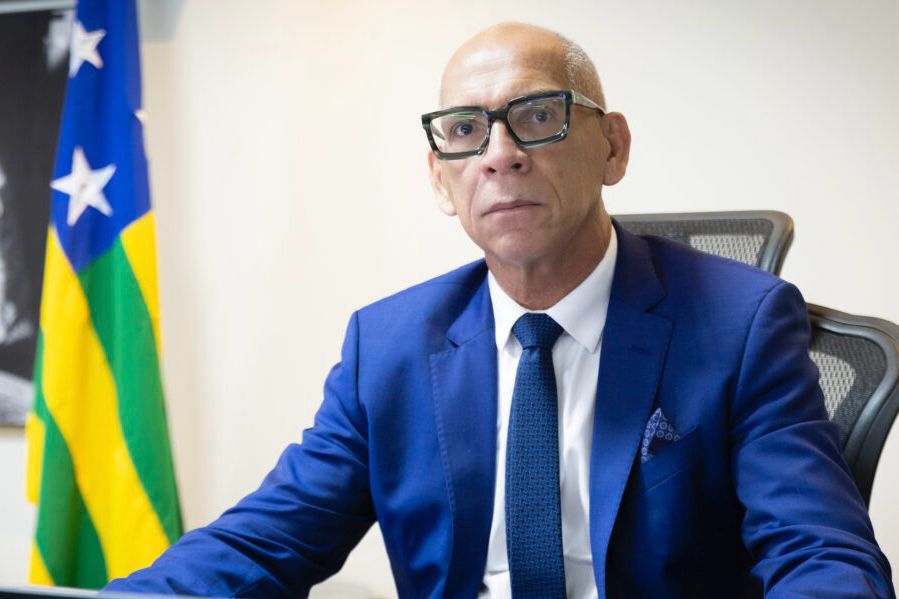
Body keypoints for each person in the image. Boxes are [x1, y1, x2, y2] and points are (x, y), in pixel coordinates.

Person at [106, 23, 893, 598]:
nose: (499, 154)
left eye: (538, 115)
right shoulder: (388, 346)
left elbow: (820, 555)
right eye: (464, 131)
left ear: (612, 146)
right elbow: (263, 541)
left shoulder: (740, 323)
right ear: (440, 179)